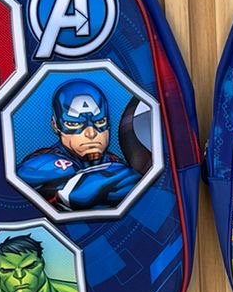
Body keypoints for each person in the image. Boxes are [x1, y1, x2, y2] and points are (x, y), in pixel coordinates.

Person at [17, 79, 143, 211]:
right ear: (55, 126)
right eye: (74, 124)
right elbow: (78, 195)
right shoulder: (44, 160)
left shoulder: (115, 162)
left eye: (100, 122)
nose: (91, 133)